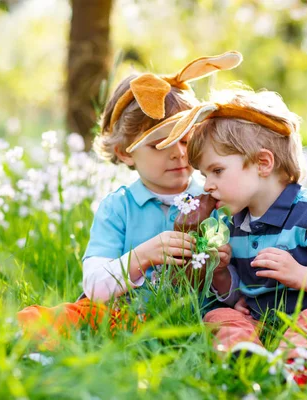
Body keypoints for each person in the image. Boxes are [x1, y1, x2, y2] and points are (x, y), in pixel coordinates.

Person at [16, 52, 243, 349]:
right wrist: (144, 255)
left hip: (196, 320)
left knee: (233, 320)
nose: (178, 153)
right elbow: (95, 286)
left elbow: (237, 291)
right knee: (72, 315)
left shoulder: (217, 198)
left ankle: (242, 355)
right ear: (124, 152)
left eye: (186, 139)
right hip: (126, 317)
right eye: (159, 144)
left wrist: (223, 274)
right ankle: (23, 343)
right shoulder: (118, 207)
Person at [156, 88, 307, 384]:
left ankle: (297, 370)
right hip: (267, 324)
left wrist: (302, 276)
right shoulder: (236, 222)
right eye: (204, 175)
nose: (207, 185)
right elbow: (245, 294)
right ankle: (247, 360)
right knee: (218, 316)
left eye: (217, 171)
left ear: (263, 163)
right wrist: (223, 276)